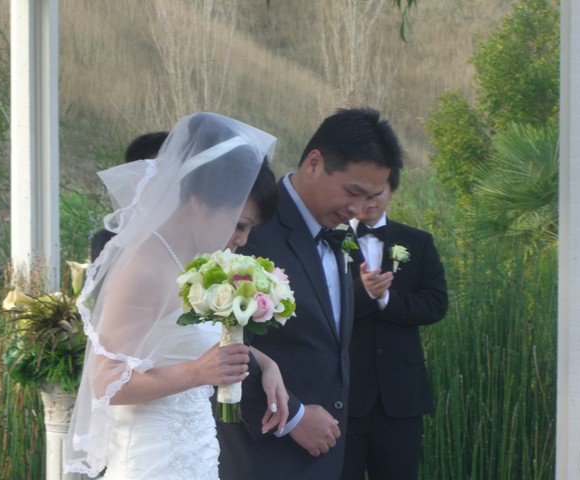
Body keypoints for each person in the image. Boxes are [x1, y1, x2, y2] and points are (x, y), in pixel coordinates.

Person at [64, 113, 289, 479]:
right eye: (239, 224)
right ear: (199, 201)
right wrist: (196, 372)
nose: (242, 240)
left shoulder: (194, 263)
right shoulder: (145, 267)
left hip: (197, 451)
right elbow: (106, 382)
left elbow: (180, 341)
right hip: (150, 459)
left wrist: (265, 363)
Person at [217, 107, 404, 480]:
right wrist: (295, 417)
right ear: (315, 163)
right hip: (260, 453)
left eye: (370, 196)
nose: (358, 209)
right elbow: (218, 341)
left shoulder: (338, 234)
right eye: (352, 191)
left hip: (324, 453)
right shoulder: (251, 226)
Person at [341, 167, 448, 480]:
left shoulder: (418, 241)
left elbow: (436, 304)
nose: (370, 201)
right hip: (346, 392)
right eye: (361, 193)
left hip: (402, 395)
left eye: (378, 193)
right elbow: (320, 304)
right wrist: (362, 293)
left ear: (392, 191)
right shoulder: (332, 239)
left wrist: (387, 299)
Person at [90, 131, 169, 262]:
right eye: (159, 174)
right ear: (135, 180)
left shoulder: (197, 231)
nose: (169, 182)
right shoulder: (110, 240)